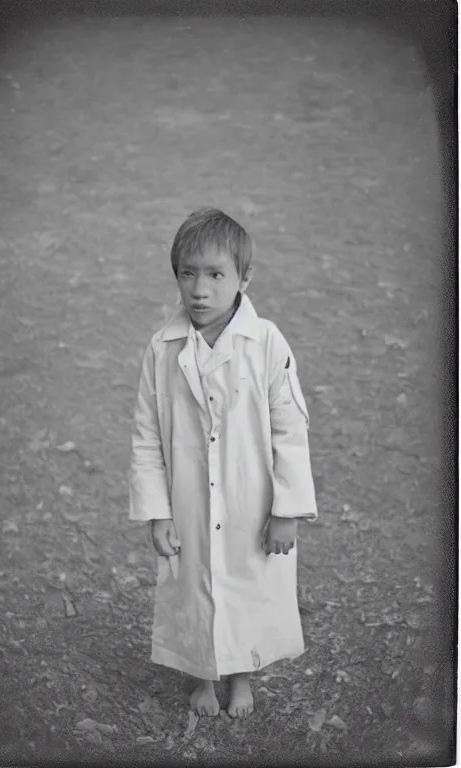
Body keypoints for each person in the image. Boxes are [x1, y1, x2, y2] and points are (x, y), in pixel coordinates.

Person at [129, 207, 317, 718]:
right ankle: (203, 679)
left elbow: (290, 429)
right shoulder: (162, 348)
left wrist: (287, 510)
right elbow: (146, 435)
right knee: (195, 589)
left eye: (216, 275)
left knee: (246, 586)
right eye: (188, 273)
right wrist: (158, 510)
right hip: (188, 499)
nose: (200, 289)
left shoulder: (267, 343)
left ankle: (242, 677)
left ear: (244, 278)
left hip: (250, 498)